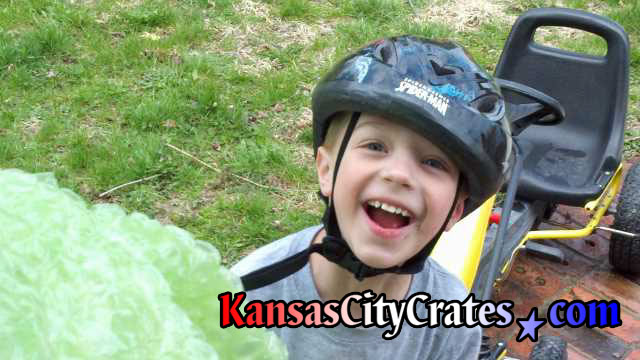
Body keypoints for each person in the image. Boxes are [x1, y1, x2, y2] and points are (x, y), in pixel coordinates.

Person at [231, 35, 513, 359]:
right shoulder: (249, 294)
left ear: (455, 210)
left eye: (433, 162)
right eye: (375, 146)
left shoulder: (450, 321)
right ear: (326, 170)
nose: (399, 174)